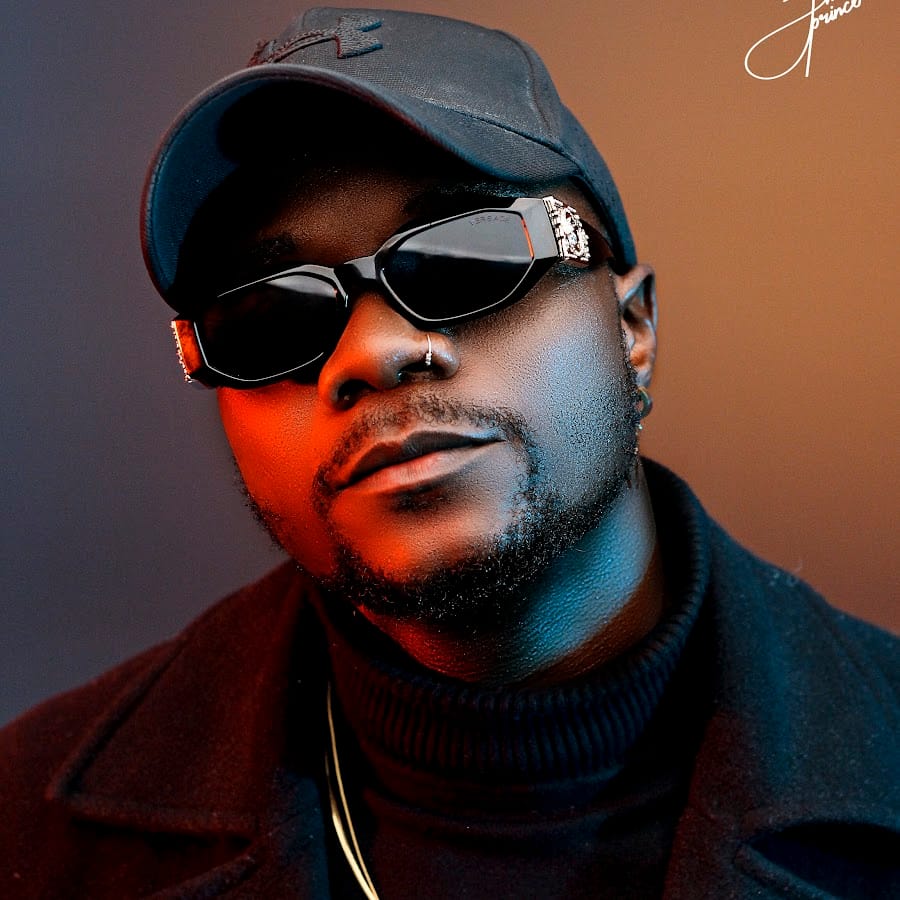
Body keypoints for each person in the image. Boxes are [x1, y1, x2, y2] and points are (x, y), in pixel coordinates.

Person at [1, 7, 897, 899]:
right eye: (270, 317)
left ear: (631, 329)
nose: (371, 353)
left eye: (466, 257)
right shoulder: (27, 825)